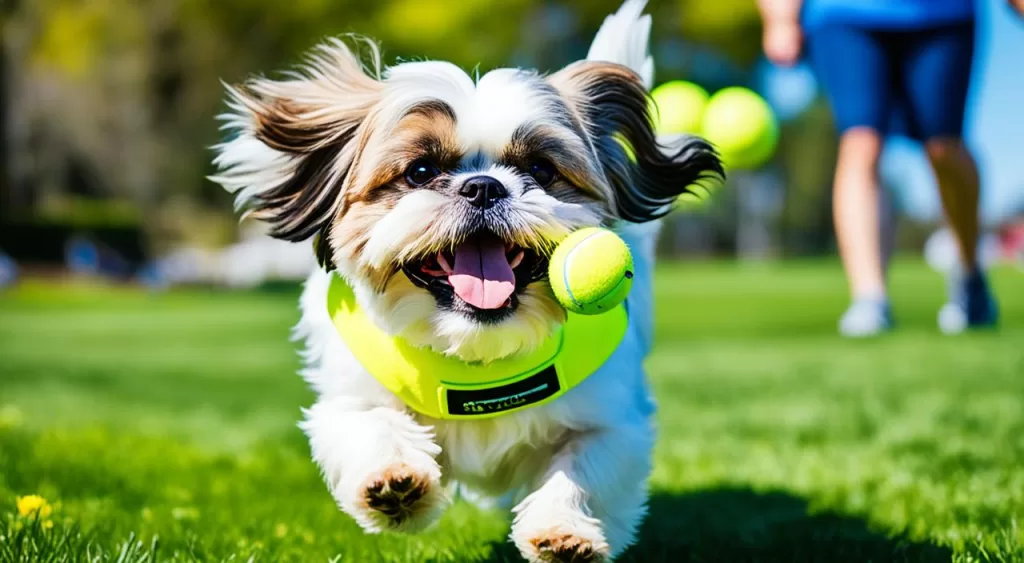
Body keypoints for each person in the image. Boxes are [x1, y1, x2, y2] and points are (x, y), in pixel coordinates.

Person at [757, 0, 1023, 336]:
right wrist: (779, 16)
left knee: (944, 149)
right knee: (860, 141)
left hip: (942, 14)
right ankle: (870, 297)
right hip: (844, 14)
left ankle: (970, 276)